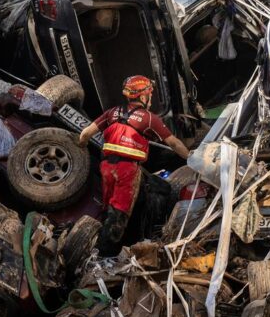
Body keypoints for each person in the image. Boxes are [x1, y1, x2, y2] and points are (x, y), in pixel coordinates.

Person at [78, 75, 190, 254]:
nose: (150, 99)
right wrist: (190, 157)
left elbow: (84, 135)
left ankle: (100, 244)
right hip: (127, 169)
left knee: (108, 209)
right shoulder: (149, 119)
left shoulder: (112, 112)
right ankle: (105, 256)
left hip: (106, 166)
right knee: (119, 213)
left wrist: (81, 147)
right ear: (143, 97)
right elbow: (174, 143)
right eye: (150, 95)